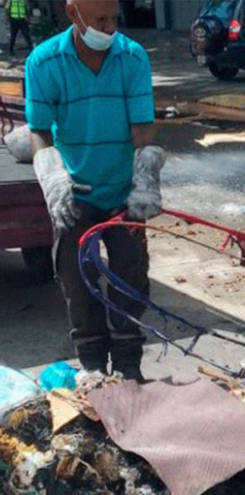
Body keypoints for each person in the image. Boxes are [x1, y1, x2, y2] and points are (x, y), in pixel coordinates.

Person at [25, 0, 164, 382]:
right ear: (73, 13)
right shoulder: (43, 63)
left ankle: (128, 364)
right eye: (101, 19)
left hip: (122, 193)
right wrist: (52, 176)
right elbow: (38, 131)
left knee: (130, 275)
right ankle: (91, 365)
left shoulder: (132, 58)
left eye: (114, 17)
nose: (110, 28)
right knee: (76, 279)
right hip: (76, 191)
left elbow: (142, 130)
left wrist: (146, 177)